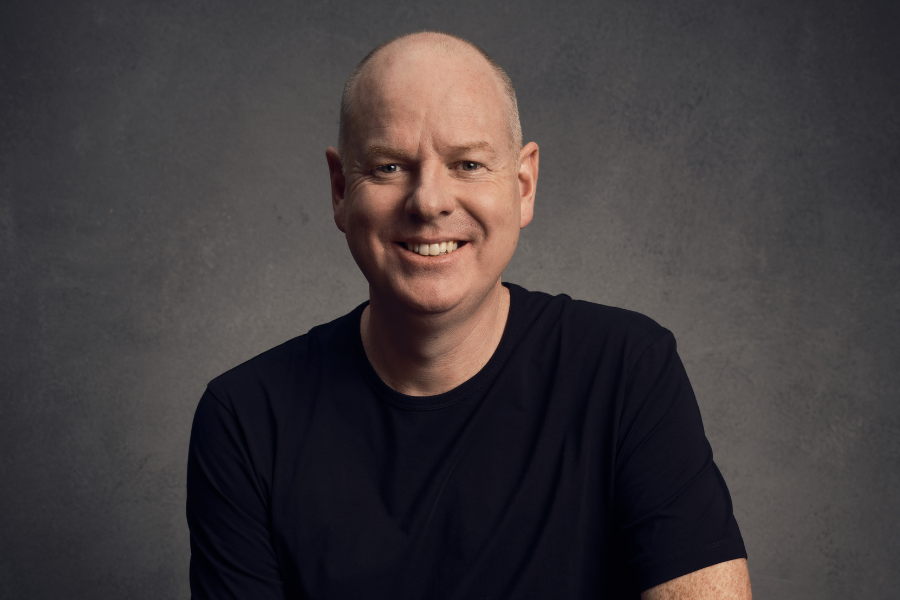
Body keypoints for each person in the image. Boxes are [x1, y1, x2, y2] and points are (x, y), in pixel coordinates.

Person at [187, 31, 752, 599]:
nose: (429, 201)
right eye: (388, 167)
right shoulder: (245, 420)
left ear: (523, 185)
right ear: (340, 189)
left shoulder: (627, 370)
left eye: (468, 164)